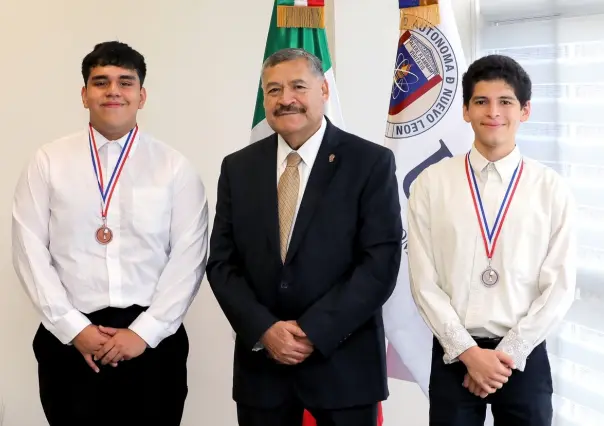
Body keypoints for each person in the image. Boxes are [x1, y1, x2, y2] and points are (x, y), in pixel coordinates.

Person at [12, 41, 208, 426]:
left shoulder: (174, 167)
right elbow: (28, 250)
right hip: (69, 339)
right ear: (84, 95)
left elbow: (190, 256)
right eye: (100, 82)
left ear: (142, 95)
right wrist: (74, 328)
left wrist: (144, 333)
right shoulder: (48, 161)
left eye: (125, 82)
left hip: (153, 341)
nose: (113, 91)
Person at [207, 47, 402, 426]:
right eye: (273, 90)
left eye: (298, 86)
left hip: (344, 367)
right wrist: (265, 329)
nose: (286, 99)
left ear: (324, 90)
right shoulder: (238, 167)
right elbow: (221, 263)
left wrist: (313, 330)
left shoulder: (370, 163)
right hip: (263, 370)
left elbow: (379, 263)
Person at [407, 54, 577, 426]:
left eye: (506, 102)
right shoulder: (431, 184)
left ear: (525, 110)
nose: (493, 112)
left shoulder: (550, 188)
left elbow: (560, 286)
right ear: (466, 111)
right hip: (455, 354)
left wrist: (508, 355)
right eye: (481, 101)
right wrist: (468, 352)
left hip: (523, 355)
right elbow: (423, 280)